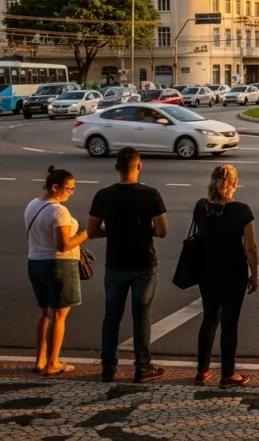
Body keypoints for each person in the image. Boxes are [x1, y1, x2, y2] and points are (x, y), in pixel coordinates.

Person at [88, 147, 168, 383]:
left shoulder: (103, 195)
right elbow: (162, 231)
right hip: (143, 262)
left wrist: (112, 230)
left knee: (111, 316)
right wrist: (142, 229)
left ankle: (108, 367)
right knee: (141, 315)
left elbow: (92, 231)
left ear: (116, 168)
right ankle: (142, 367)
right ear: (139, 166)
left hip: (115, 263)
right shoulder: (150, 194)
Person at [193, 165, 259, 387]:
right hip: (233, 272)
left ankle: (202, 370)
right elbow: (250, 247)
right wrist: (255, 274)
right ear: (233, 184)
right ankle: (228, 373)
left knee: (209, 318)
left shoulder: (201, 207)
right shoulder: (242, 211)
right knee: (229, 322)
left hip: (206, 269)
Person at [25, 166, 90, 376]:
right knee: (59, 316)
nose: (71, 193)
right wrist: (87, 232)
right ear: (55, 187)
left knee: (44, 312)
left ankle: (40, 360)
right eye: (68, 189)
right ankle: (53, 363)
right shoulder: (58, 211)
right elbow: (63, 244)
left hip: (35, 263)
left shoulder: (33, 204)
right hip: (59, 265)